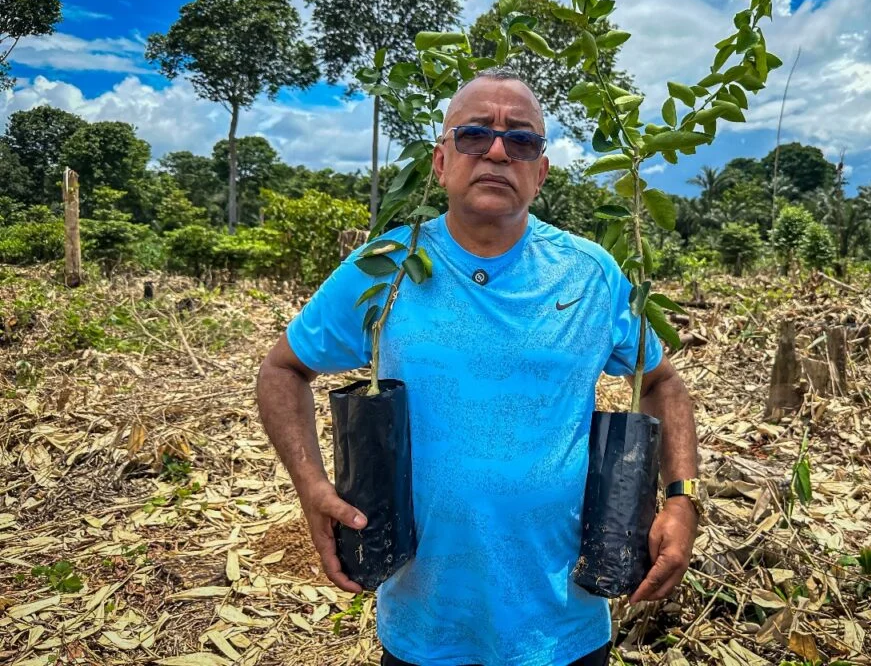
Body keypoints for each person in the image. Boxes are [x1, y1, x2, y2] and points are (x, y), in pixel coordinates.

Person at [257, 67, 700, 666]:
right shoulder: (387, 268)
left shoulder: (590, 273)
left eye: (521, 140)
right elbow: (283, 370)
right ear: (441, 161)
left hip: (565, 622)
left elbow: (662, 382)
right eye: (473, 135)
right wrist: (310, 487)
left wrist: (680, 497)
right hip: (424, 623)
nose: (496, 150)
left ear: (540, 172)